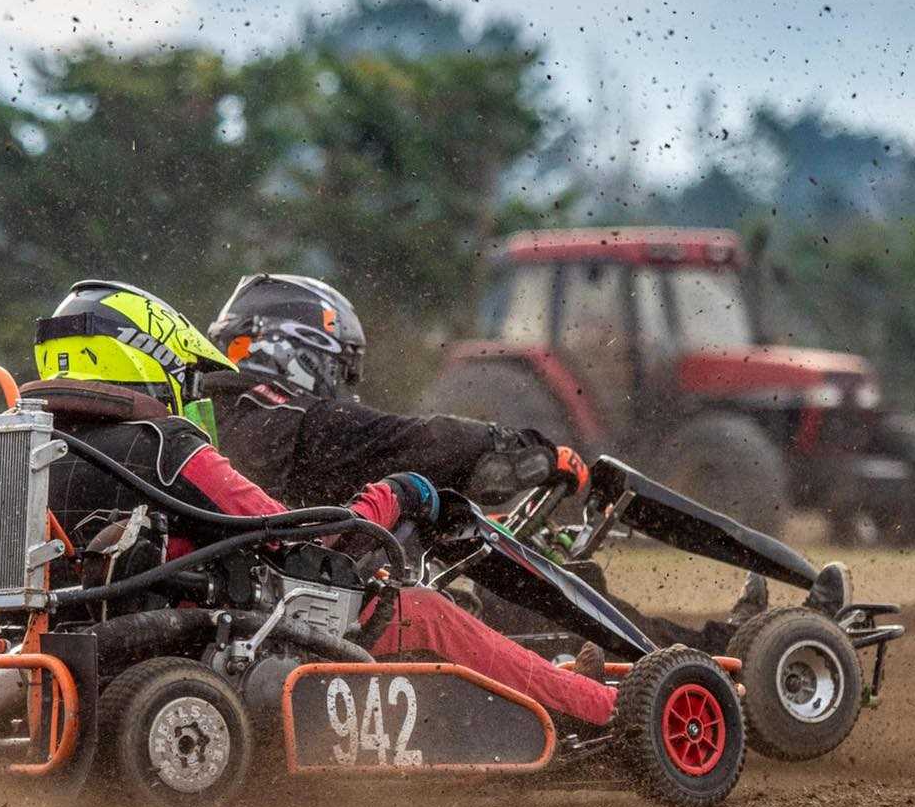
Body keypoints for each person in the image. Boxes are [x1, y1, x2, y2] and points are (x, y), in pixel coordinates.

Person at [31, 278, 616, 726]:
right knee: (428, 611)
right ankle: (599, 707)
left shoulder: (35, 447)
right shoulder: (166, 442)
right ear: (143, 356)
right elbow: (283, 536)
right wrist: (394, 495)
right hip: (218, 638)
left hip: (96, 639)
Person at [204, 272, 854, 654]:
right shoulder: (284, 420)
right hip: (340, 615)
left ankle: (707, 645)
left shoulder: (223, 424)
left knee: (519, 573)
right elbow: (410, 437)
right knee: (516, 580)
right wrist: (529, 454)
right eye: (342, 369)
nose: (344, 387)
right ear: (303, 352)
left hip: (317, 601)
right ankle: (706, 659)